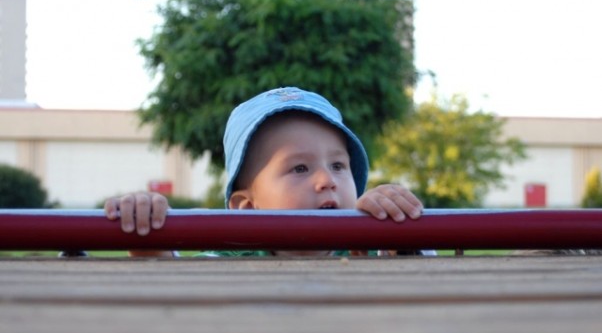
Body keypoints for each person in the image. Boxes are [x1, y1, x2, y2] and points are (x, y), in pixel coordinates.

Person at [105, 87, 431, 257]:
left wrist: (401, 234)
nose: (327, 181)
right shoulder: (225, 264)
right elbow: (170, 285)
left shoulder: (373, 249)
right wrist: (146, 229)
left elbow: (429, 277)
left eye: (338, 165)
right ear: (246, 207)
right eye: (300, 168)